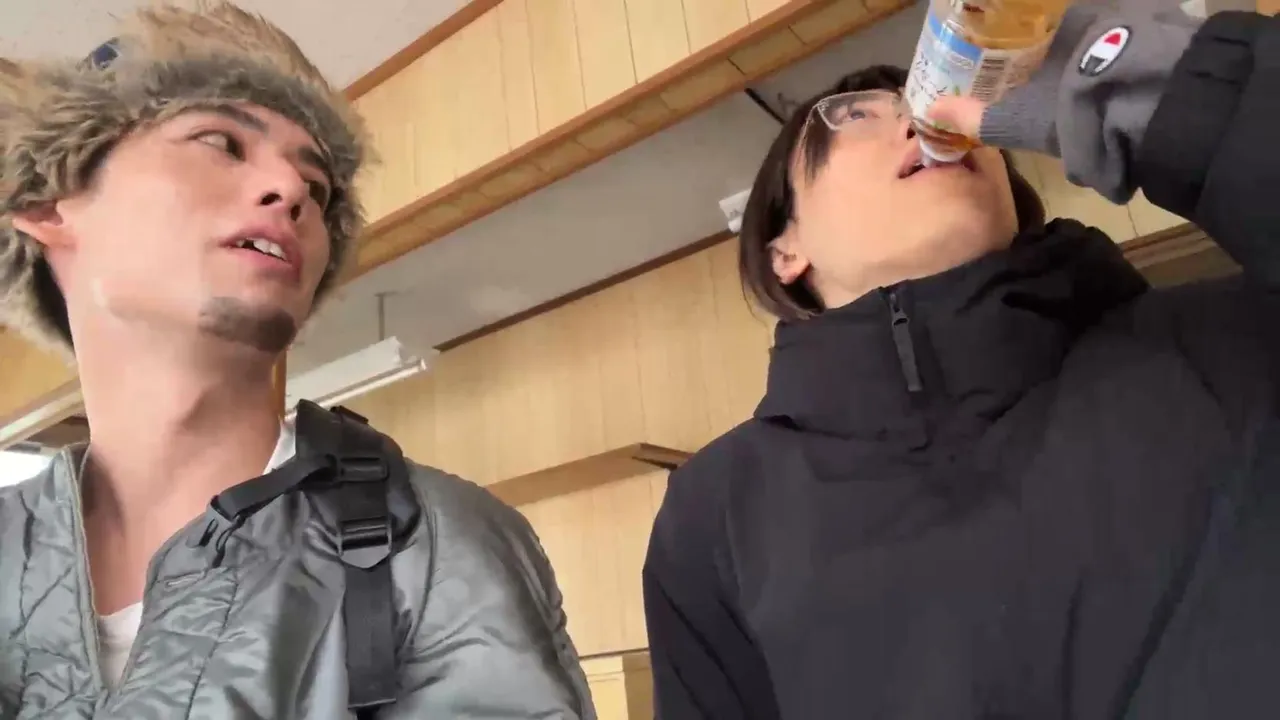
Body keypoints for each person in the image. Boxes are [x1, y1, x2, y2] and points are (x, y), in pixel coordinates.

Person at [643, 1, 1280, 718]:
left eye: (929, 95)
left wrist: (1184, 95)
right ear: (784, 252)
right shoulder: (716, 515)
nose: (920, 116)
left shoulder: (1232, 340)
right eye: (857, 115)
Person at [0, 4, 594, 718]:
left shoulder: (433, 540)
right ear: (50, 204)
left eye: (318, 189)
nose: (290, 192)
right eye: (221, 142)